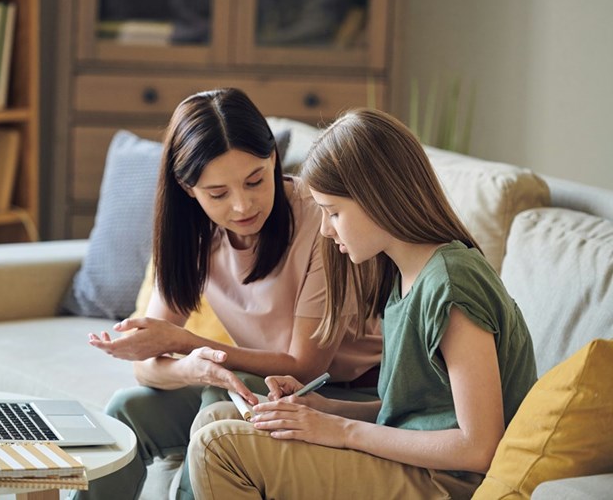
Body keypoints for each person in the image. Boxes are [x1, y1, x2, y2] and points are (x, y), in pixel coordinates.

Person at [187, 108, 537, 499]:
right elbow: (410, 417)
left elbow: (479, 447)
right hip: (414, 462)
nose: (324, 228)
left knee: (217, 447)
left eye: (333, 212)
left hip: (446, 481)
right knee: (215, 418)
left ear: (378, 198)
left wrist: (340, 431)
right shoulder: (403, 277)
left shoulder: (452, 283)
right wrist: (321, 409)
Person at [85, 89, 383, 500]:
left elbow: (305, 367)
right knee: (126, 409)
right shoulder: (192, 235)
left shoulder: (322, 222)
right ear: (188, 189)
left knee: (221, 399)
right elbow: (147, 367)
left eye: (255, 180)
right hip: (260, 386)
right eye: (218, 194)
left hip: (341, 392)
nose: (242, 206)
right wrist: (193, 367)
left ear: (274, 160)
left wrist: (186, 342)